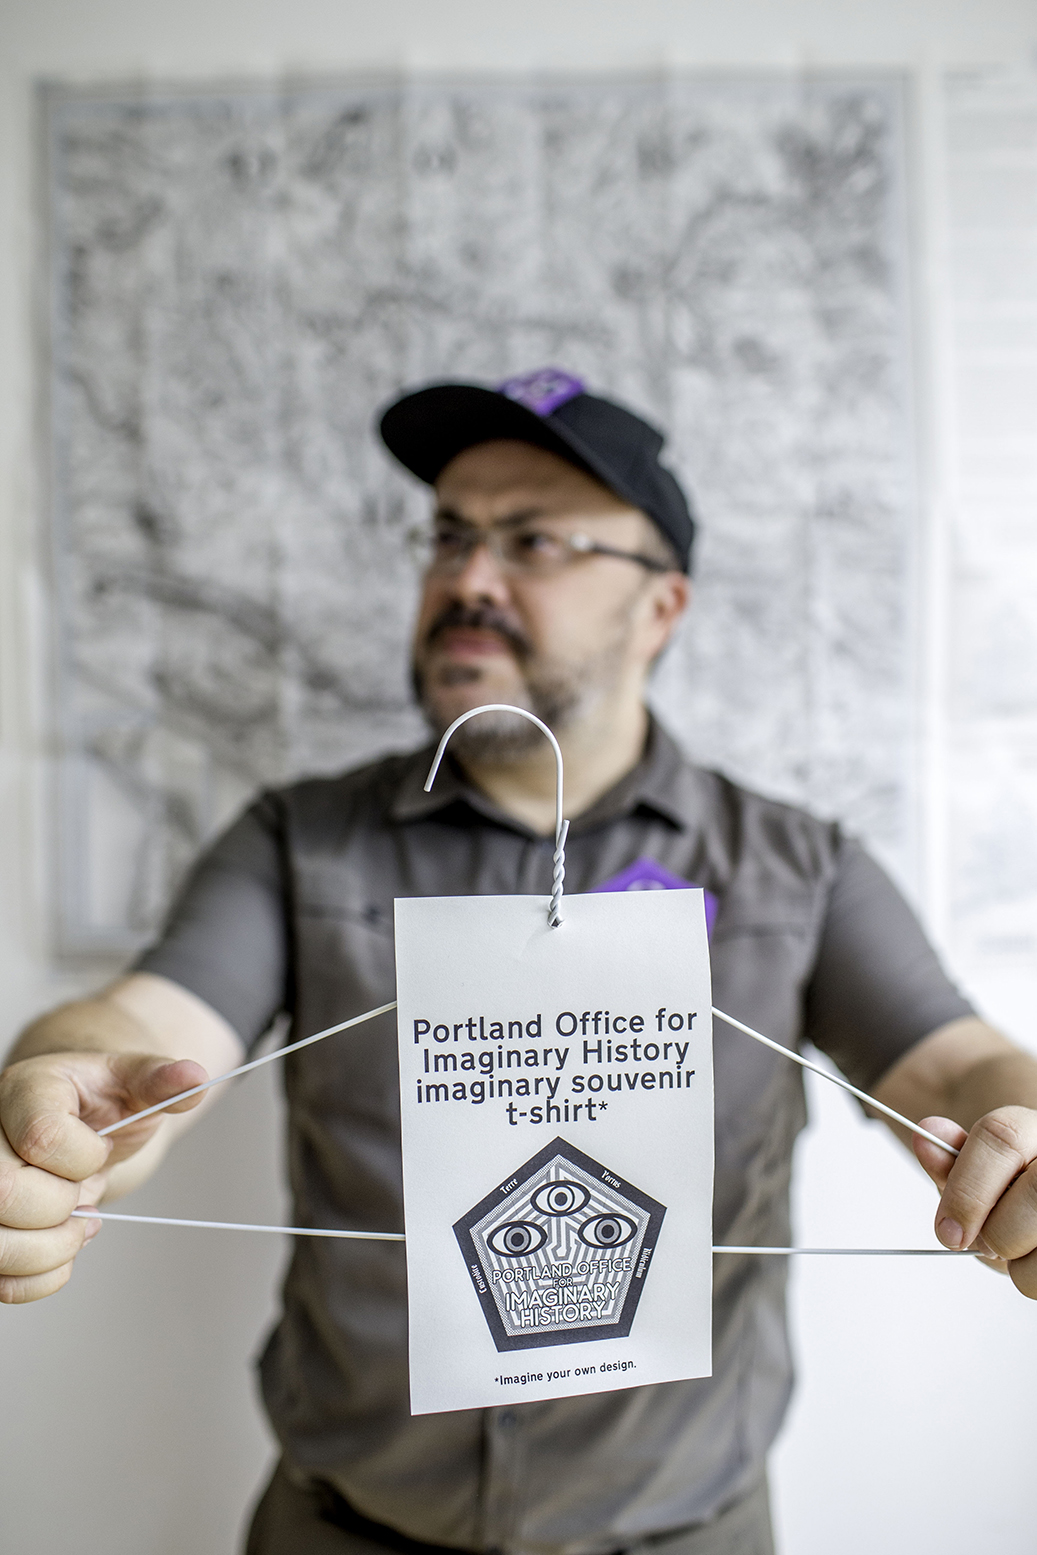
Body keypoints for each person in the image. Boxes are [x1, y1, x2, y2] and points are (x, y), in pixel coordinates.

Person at [3, 367, 1037, 1555]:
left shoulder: (797, 866)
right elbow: (141, 1028)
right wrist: (52, 1106)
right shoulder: (296, 838)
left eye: (530, 540)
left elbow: (956, 1068)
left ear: (661, 607)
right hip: (337, 1531)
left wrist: (1018, 1132)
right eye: (446, 534)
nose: (464, 578)